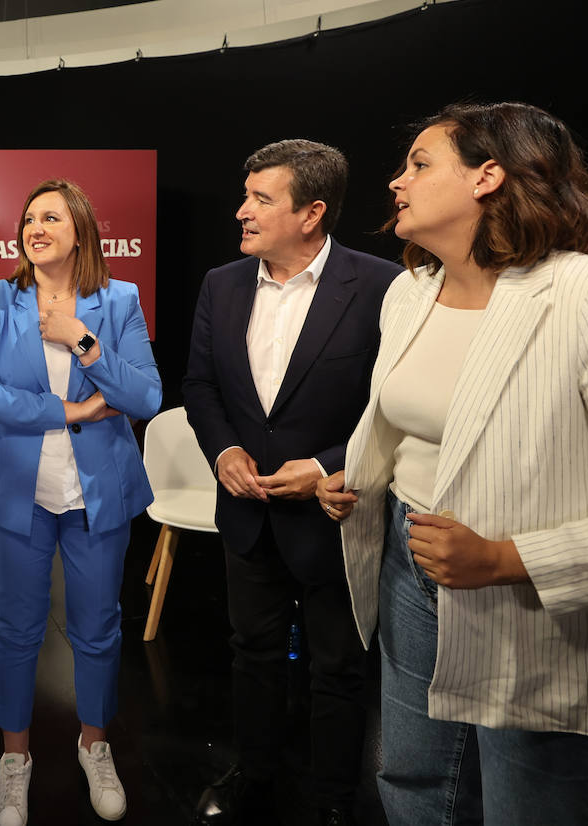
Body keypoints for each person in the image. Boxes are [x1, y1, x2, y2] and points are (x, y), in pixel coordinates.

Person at [317, 101, 588, 826]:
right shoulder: (409, 292)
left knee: (529, 806)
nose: (396, 181)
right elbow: (424, 430)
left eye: (420, 164)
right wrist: (366, 478)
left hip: (539, 612)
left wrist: (503, 558)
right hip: (409, 569)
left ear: (489, 175)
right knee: (413, 786)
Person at [183, 140, 399, 826]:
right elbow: (201, 386)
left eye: (260, 199)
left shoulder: (382, 285)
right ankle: (255, 774)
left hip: (337, 512)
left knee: (339, 668)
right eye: (245, 195)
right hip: (249, 514)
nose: (241, 211)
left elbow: (391, 403)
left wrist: (333, 463)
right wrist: (223, 452)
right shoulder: (221, 283)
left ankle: (335, 798)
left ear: (312, 213)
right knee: (253, 656)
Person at [0, 178, 161, 825]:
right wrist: (72, 408)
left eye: (50, 216)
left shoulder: (119, 299)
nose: (34, 226)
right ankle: (14, 761)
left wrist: (81, 337)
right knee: (17, 631)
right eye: (28, 218)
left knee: (99, 629)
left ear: (80, 227)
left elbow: (146, 397)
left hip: (96, 493)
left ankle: (93, 744)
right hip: (19, 491)